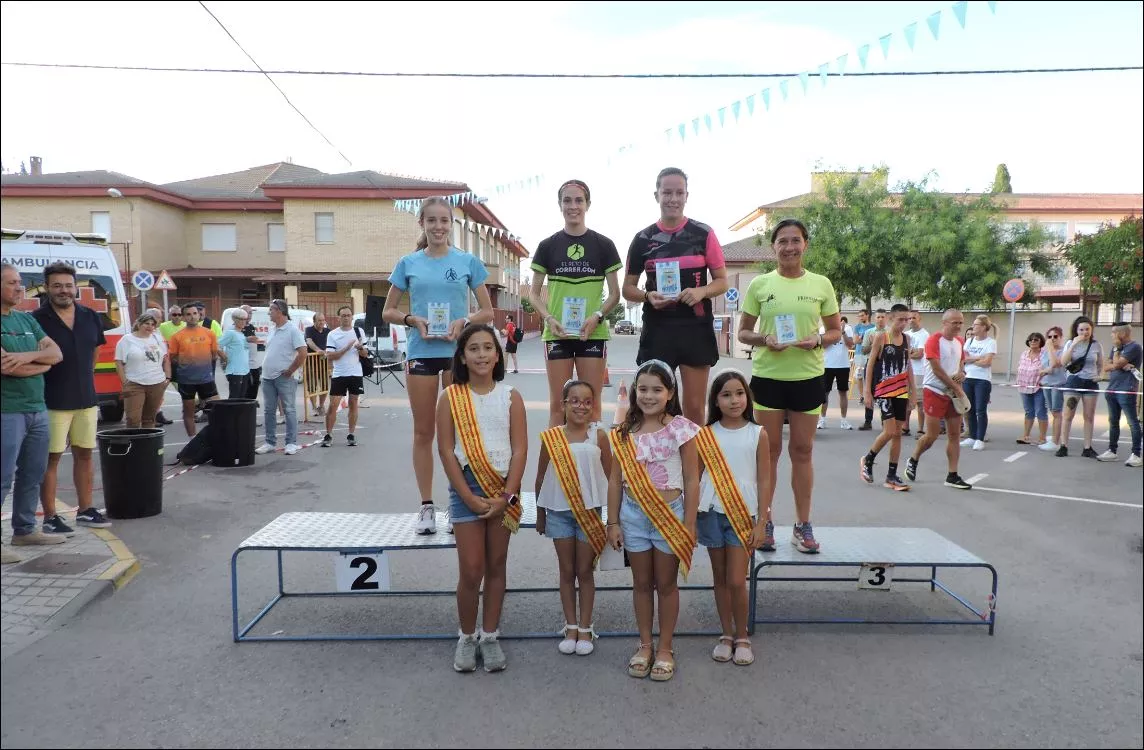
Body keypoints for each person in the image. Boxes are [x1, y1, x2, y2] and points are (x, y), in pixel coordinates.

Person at [383, 197, 494, 535]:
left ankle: (458, 502)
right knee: (424, 431)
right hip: (421, 352)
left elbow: (487, 312)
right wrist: (411, 318)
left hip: (455, 354)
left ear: (451, 224)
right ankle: (426, 507)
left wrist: (464, 320)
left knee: (460, 431)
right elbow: (388, 311)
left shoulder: (467, 262)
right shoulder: (408, 263)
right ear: (422, 224)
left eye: (444, 221)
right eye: (431, 221)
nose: (438, 227)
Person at [736, 218, 842, 554]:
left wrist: (819, 340)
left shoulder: (821, 284)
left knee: (802, 451)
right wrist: (765, 339)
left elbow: (836, 332)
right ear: (774, 247)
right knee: (768, 454)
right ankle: (765, 522)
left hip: (807, 378)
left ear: (805, 244)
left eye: (795, 240)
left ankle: (802, 524)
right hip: (768, 378)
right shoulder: (760, 285)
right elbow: (743, 333)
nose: (789, 247)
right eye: (782, 241)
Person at [436, 324, 527, 673]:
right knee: (471, 569)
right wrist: (467, 497)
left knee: (496, 565)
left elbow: (520, 449)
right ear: (462, 355)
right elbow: (445, 450)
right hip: (466, 487)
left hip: (502, 486)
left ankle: (490, 636)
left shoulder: (511, 396)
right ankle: (466, 636)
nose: (482, 355)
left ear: (498, 354)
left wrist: (507, 495)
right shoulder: (451, 396)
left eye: (488, 347)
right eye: (473, 348)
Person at [606, 359, 700, 682]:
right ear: (634, 392)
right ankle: (645, 644)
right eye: (642, 389)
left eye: (657, 389)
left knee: (667, 584)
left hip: (670, 516)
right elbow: (615, 480)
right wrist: (613, 522)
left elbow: (691, 479)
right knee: (642, 584)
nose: (648, 396)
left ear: (670, 392)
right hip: (633, 516)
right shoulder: (623, 432)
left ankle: (665, 648)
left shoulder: (682, 429)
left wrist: (689, 522)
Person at [623, 167, 729, 425]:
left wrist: (701, 291)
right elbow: (628, 289)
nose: (673, 198)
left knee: (693, 408)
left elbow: (722, 282)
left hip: (694, 326)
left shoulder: (703, 233)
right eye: (667, 192)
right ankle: (658, 463)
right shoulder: (642, 239)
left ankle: (692, 465)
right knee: (654, 406)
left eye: (678, 192)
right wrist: (648, 296)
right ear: (656, 195)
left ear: (686, 196)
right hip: (658, 328)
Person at [530, 180, 623, 425]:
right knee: (558, 406)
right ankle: (558, 463)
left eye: (579, 200)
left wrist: (597, 317)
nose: (573, 206)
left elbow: (615, 294)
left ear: (588, 204)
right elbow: (533, 293)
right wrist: (549, 318)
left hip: (591, 334)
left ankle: (591, 462)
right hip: (557, 334)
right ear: (560, 205)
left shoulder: (604, 245)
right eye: (567, 200)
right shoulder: (547, 246)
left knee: (590, 405)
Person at [31, 262, 113, 533]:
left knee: (85, 455)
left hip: (86, 400)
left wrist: (85, 377)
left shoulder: (90, 315)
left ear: (75, 287)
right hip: (51, 401)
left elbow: (95, 352)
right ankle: (51, 517)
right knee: (51, 459)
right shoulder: (36, 319)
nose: (63, 290)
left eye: (68, 285)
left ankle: (86, 510)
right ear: (47, 288)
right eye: (57, 285)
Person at [534, 379, 611, 656]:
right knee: (566, 571)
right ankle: (570, 625)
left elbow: (612, 478)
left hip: (589, 513)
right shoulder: (552, 437)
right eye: (574, 400)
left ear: (594, 406)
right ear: (563, 404)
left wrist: (613, 519)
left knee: (585, 571)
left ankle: (586, 627)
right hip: (558, 513)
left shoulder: (599, 435)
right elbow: (540, 477)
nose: (581, 406)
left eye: (587, 401)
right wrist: (541, 514)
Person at [697, 370, 768, 667]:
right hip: (711, 513)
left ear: (747, 397)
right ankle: (726, 634)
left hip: (743, 513)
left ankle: (742, 637)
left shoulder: (757, 433)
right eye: (726, 394)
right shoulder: (706, 434)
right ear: (715, 400)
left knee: (737, 580)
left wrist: (762, 521)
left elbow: (765, 480)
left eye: (739, 393)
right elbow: (695, 476)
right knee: (720, 578)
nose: (734, 400)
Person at [2, 262, 65, 562]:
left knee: (33, 473)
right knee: (2, 477)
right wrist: (40, 363)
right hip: (6, 411)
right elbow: (5, 367)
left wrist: (26, 358)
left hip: (37, 409)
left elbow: (57, 354)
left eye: (19, 282)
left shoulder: (26, 321)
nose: (19, 287)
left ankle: (25, 530)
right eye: (11, 282)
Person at [905, 309, 972, 490]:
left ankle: (952, 474)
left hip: (952, 394)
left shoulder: (959, 341)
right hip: (934, 391)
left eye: (960, 322)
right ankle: (914, 458)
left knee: (954, 435)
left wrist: (962, 373)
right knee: (932, 435)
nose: (958, 326)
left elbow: (960, 363)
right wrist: (957, 387)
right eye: (954, 322)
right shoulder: (934, 340)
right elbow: (937, 370)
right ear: (945, 323)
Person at [859, 304, 915, 491]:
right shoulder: (882, 338)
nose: (904, 323)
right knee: (889, 431)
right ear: (891, 319)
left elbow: (909, 368)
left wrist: (913, 392)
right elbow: (870, 364)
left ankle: (892, 474)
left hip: (901, 391)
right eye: (901, 319)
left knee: (898, 434)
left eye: (907, 319)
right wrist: (867, 391)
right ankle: (868, 459)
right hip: (884, 391)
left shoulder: (907, 339)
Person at [255, 299, 306, 456]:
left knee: (289, 409)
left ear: (280, 311)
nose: (269, 312)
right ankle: (270, 442)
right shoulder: (272, 329)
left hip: (285, 377)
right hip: (267, 377)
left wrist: (290, 370)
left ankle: (291, 443)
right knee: (269, 410)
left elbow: (303, 353)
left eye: (271, 309)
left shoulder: (292, 330)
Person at [167, 303, 225, 437]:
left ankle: (216, 438)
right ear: (183, 317)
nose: (192, 317)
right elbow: (173, 358)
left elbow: (213, 354)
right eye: (188, 314)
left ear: (199, 315)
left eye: (195, 313)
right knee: (188, 412)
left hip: (206, 378)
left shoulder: (209, 333)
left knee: (218, 409)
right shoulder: (177, 337)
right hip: (186, 380)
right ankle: (192, 440)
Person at [114, 311, 171, 429]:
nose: (150, 326)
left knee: (149, 419)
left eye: (152, 324)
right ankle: (134, 445)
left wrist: (168, 378)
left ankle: (147, 446)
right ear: (139, 324)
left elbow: (166, 359)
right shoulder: (127, 340)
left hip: (157, 383)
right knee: (133, 419)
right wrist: (125, 382)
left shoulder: (158, 338)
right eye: (146, 323)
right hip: (135, 383)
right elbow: (119, 362)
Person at [1057, 315, 1103, 458]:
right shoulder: (1071, 343)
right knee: (1068, 415)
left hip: (1090, 382)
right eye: (1081, 329)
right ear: (1076, 330)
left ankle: (1087, 447)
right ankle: (1063, 445)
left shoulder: (1096, 345)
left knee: (1089, 416)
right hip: (1074, 381)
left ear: (1091, 329)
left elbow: (1101, 364)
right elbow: (1063, 362)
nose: (1085, 332)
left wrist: (1101, 375)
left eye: (1087, 329)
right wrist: (1073, 345)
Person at [321, 306, 366, 448]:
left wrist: (359, 348)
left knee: (353, 404)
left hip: (355, 374)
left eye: (348, 315)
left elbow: (365, 354)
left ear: (352, 317)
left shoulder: (359, 331)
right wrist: (347, 348)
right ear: (338, 318)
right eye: (343, 315)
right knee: (333, 405)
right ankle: (328, 434)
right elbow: (330, 355)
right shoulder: (333, 334)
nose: (346, 318)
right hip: (339, 374)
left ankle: (351, 434)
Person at [1098, 322, 1142, 466]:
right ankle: (1112, 450)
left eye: (1113, 332)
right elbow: (1106, 367)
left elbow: (1116, 365)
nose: (1111, 335)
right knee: (1113, 421)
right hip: (1112, 388)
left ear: (1121, 334)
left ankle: (1136, 454)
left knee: (1132, 422)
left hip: (1126, 389)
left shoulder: (1134, 347)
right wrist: (1121, 365)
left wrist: (1118, 362)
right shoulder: (1116, 348)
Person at [960, 314, 997, 451]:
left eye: (976, 324)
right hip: (968, 378)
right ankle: (972, 436)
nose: (973, 326)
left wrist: (972, 358)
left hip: (982, 380)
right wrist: (978, 357)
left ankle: (980, 439)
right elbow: (963, 358)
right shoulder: (969, 341)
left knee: (981, 410)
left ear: (983, 327)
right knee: (970, 408)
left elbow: (987, 363)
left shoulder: (990, 342)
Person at [819, 315, 854, 430]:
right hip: (827, 365)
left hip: (843, 365)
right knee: (824, 393)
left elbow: (850, 345)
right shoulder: (823, 329)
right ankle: (822, 420)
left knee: (843, 393)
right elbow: (822, 346)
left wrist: (842, 332)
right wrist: (833, 336)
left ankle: (844, 420)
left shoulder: (847, 328)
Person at [1015, 332, 1049, 446]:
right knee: (1028, 411)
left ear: (1041, 342)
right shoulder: (1024, 354)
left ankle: (1042, 437)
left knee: (1041, 411)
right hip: (1024, 385)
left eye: (1036, 340)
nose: (1033, 342)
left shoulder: (1044, 354)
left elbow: (1047, 368)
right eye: (1031, 340)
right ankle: (1026, 436)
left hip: (1039, 386)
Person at [857, 309, 887, 430]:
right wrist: (873, 343)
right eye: (878, 317)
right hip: (871, 363)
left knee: (884, 393)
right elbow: (863, 350)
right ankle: (867, 421)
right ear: (874, 318)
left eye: (882, 317)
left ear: (886, 318)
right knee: (869, 389)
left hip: (885, 364)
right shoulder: (869, 332)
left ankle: (884, 422)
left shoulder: (889, 333)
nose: (880, 319)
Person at [1039, 326, 1068, 453]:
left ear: (1060, 338)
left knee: (1057, 412)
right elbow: (1043, 369)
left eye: (1055, 336)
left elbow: (1056, 364)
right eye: (1049, 337)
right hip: (1046, 383)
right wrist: (1045, 371)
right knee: (1052, 411)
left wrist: (1050, 347)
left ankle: (1056, 441)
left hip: (1058, 383)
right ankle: (1055, 435)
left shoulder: (1062, 351)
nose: (1052, 339)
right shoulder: (1044, 352)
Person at [905, 310, 930, 436]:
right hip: (907, 371)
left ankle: (920, 429)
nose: (911, 320)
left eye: (914, 318)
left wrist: (908, 353)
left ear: (919, 319)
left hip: (919, 372)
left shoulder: (924, 335)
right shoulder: (906, 334)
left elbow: (919, 354)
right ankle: (905, 427)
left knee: (920, 402)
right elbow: (902, 352)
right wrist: (910, 352)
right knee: (906, 400)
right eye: (909, 318)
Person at [218, 309, 252, 400]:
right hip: (235, 371)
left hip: (245, 370)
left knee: (241, 398)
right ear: (234, 319)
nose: (243, 321)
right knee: (234, 398)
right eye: (241, 319)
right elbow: (217, 345)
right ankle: (230, 414)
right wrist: (224, 357)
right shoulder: (230, 333)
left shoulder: (240, 333)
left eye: (245, 319)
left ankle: (239, 414)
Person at [304, 312, 330, 416]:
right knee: (312, 386)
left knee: (325, 386)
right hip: (311, 362)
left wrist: (326, 351)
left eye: (323, 320)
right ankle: (314, 407)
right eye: (319, 320)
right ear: (314, 321)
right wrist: (318, 350)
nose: (322, 322)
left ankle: (321, 406)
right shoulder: (309, 330)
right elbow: (309, 342)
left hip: (323, 362)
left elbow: (332, 342)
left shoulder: (328, 331)